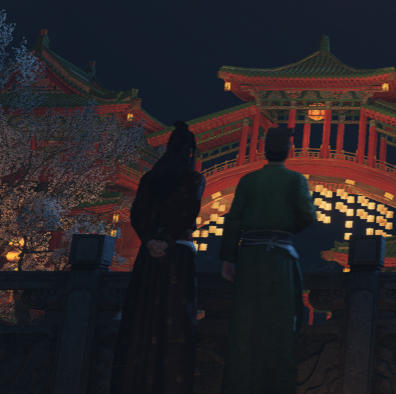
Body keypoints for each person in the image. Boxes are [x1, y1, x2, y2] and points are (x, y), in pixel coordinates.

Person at [219, 126, 318, 394]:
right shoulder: (295, 180)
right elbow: (308, 215)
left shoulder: (248, 180)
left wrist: (228, 258)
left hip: (249, 259)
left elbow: (234, 219)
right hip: (279, 260)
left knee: (246, 323)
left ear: (265, 151)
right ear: (288, 151)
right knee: (281, 324)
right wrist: (284, 230)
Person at [110, 121, 206, 394]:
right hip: (177, 254)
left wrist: (151, 240)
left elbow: (137, 214)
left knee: (142, 316)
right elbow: (188, 213)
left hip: (148, 255)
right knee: (176, 318)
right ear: (190, 152)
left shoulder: (149, 179)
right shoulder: (194, 179)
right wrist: (167, 241)